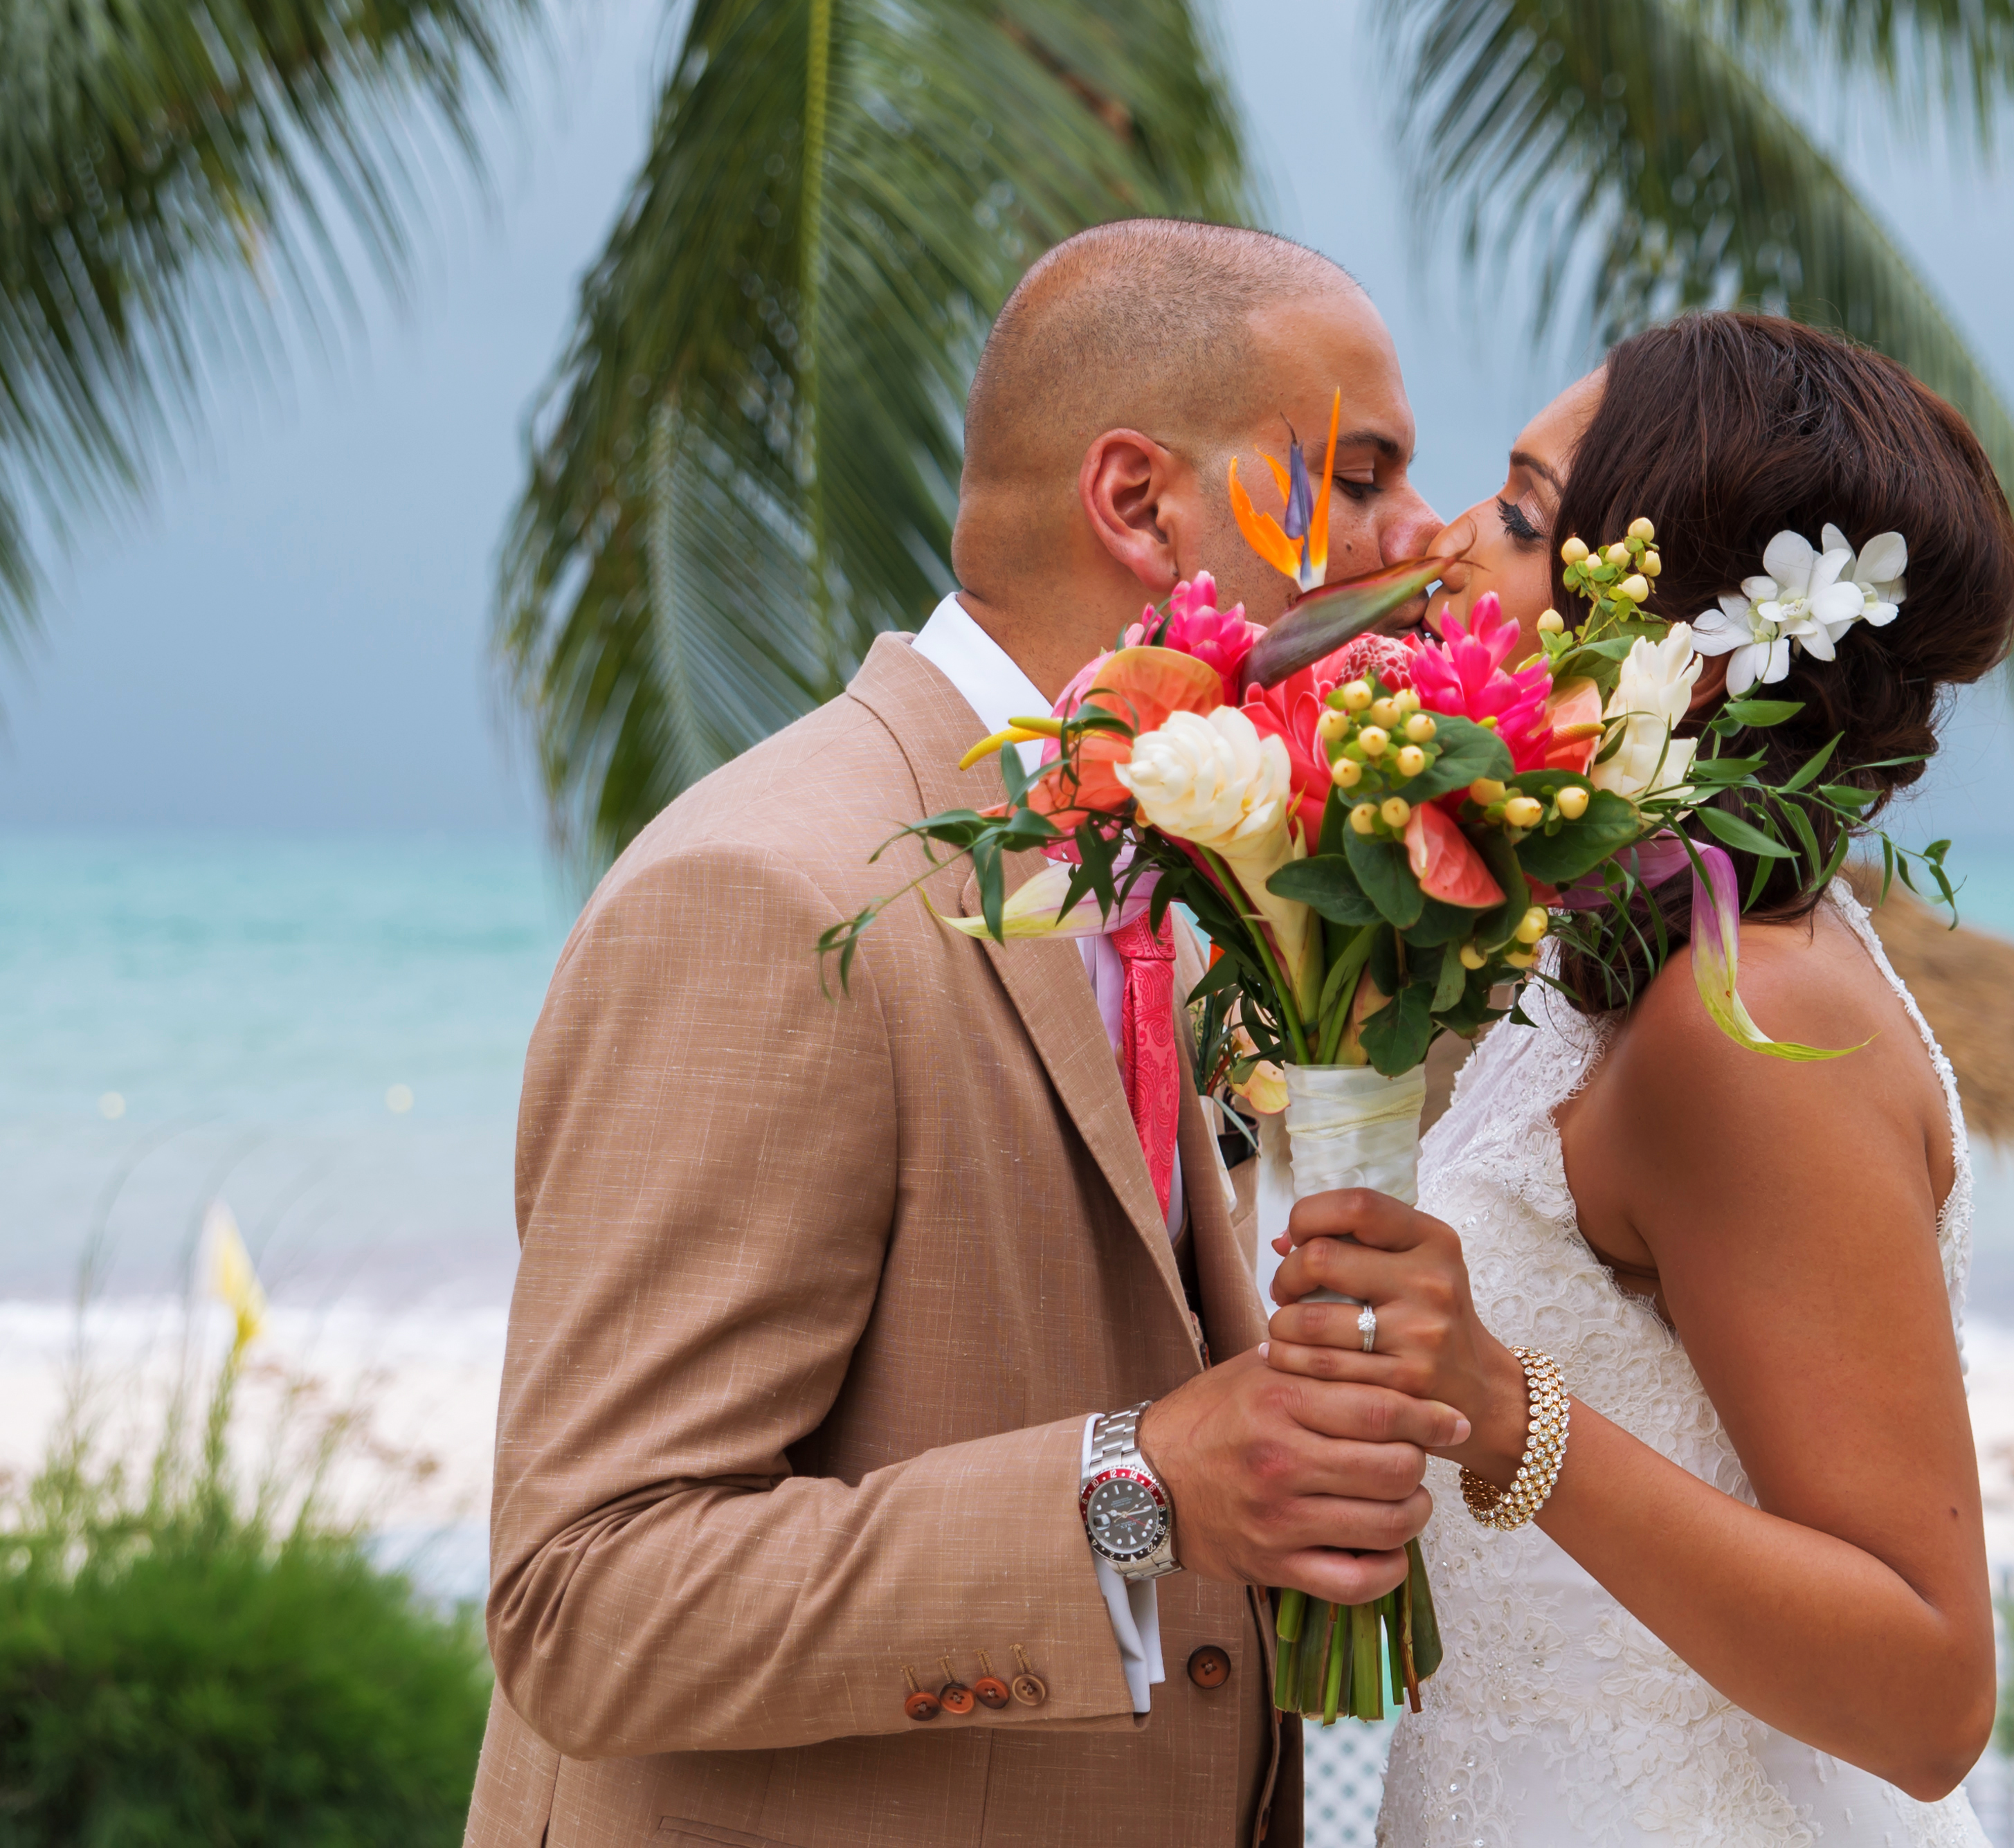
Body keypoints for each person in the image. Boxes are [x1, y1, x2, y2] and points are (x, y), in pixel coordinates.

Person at [463, 220, 1462, 1848]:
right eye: (1357, 478)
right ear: (1140, 504)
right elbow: (588, 1598)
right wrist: (1142, 1493)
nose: (1417, 538)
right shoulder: (770, 889)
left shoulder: (1186, 869)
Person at [1262, 312, 2014, 1847]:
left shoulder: (1745, 1028)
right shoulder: (1614, 963)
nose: (1455, 541)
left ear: (1667, 634)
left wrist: (1495, 1408)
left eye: (1528, 517)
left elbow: (1926, 1697)